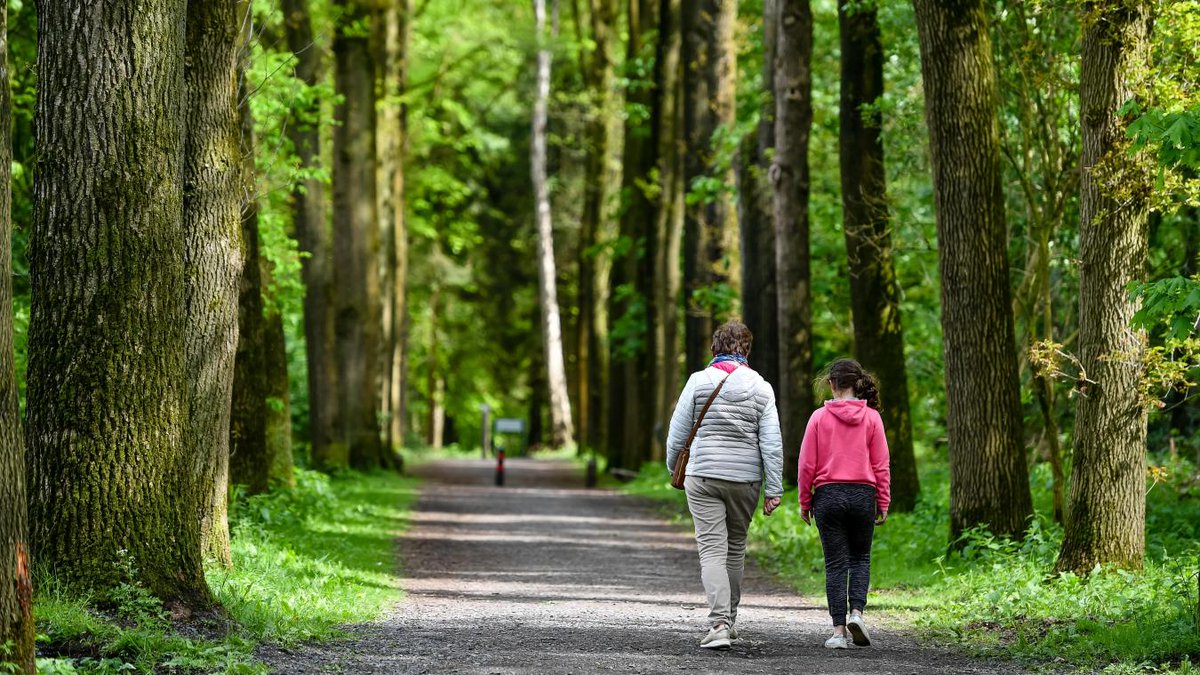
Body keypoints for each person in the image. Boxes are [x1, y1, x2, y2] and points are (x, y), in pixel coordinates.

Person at [666, 321, 784, 650]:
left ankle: (718, 623)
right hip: (745, 480)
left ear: (714, 348)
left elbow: (677, 433)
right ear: (746, 349)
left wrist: (673, 468)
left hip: (703, 476)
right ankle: (729, 620)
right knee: (735, 550)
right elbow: (772, 444)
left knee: (712, 551)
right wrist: (774, 488)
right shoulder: (761, 387)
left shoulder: (698, 381)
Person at [798, 358, 891, 649]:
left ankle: (839, 633)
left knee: (835, 564)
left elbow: (806, 465)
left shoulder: (818, 417)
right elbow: (882, 464)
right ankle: (857, 614)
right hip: (864, 494)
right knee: (860, 558)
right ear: (857, 383)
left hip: (828, 495)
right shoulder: (873, 418)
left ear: (832, 384)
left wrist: (804, 501)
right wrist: (883, 500)